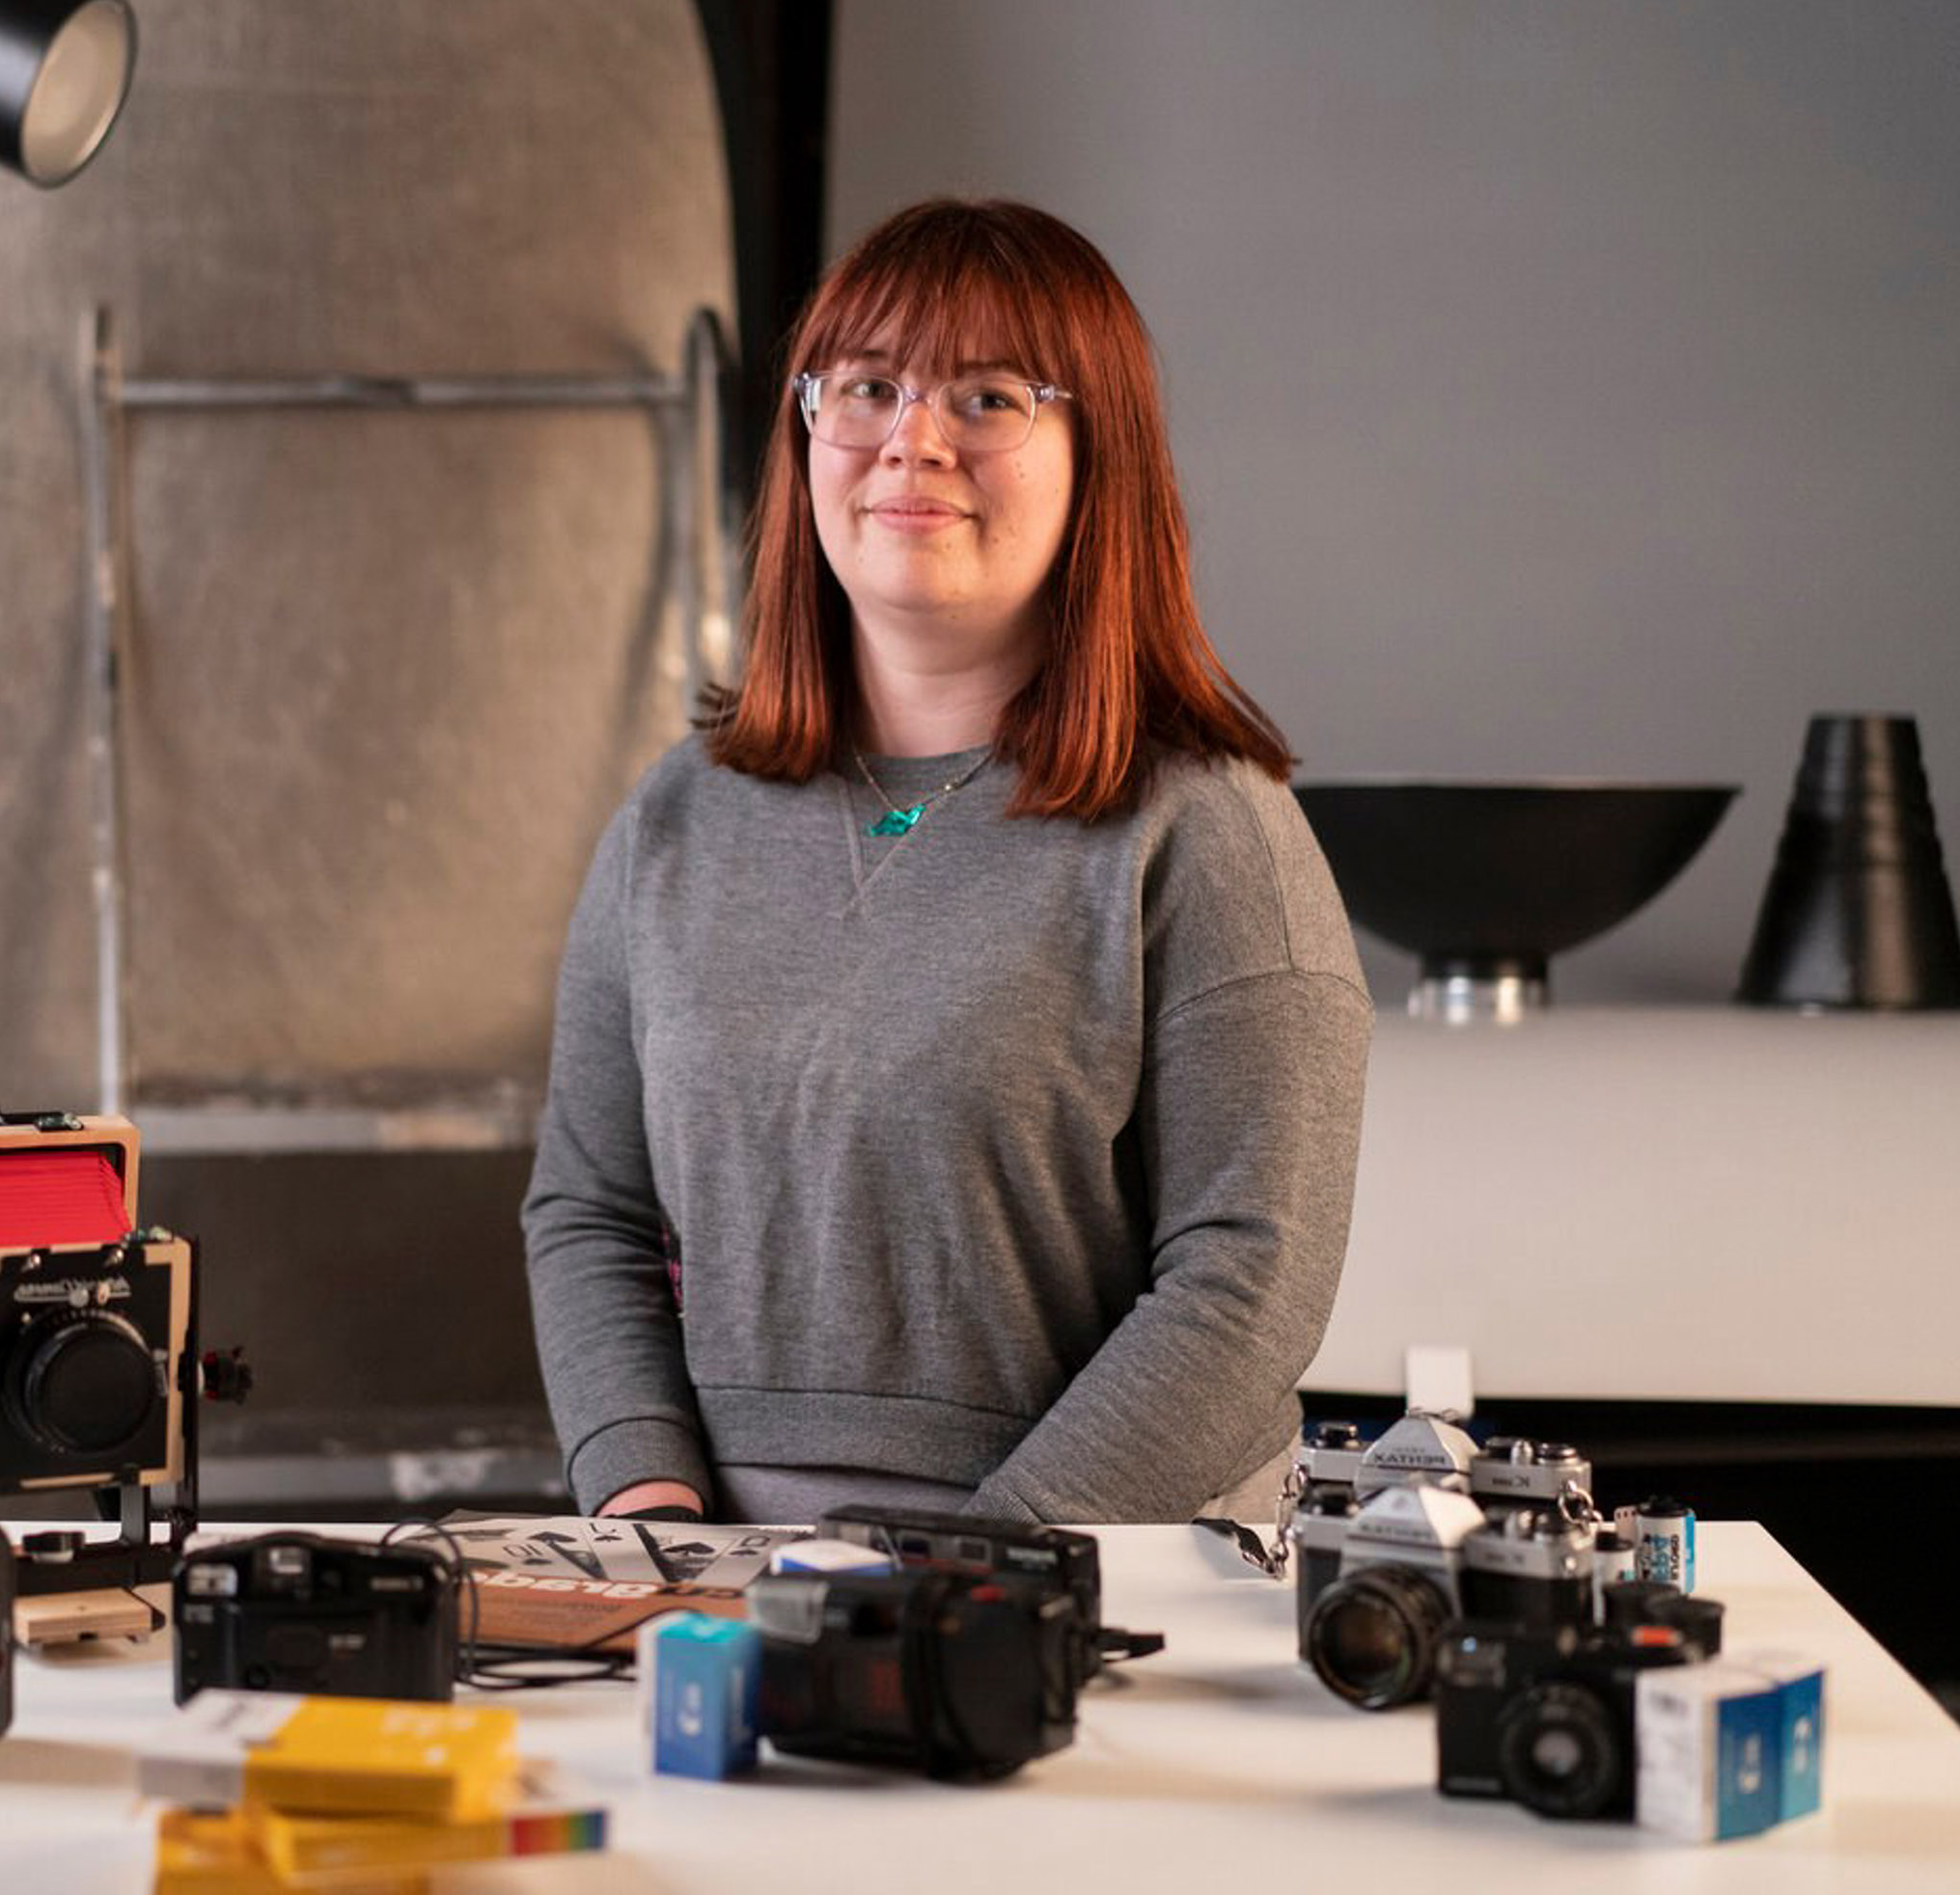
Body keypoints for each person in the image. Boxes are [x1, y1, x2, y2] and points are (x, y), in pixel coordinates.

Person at [520, 198, 1371, 1527]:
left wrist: (980, 1573)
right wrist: (649, 1517)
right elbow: (590, 1212)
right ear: (808, 428)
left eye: (987, 398)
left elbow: (1248, 1279)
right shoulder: (676, 821)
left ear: (1104, 459)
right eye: (866, 387)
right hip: (712, 1585)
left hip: (1091, 1578)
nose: (912, 442)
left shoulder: (1209, 831)